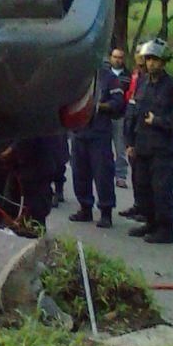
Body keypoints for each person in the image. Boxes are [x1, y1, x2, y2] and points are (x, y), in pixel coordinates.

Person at [124, 38, 173, 244]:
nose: (151, 63)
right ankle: (150, 223)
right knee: (142, 187)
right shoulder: (141, 82)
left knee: (161, 189)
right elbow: (132, 112)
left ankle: (165, 230)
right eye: (149, 59)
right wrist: (129, 142)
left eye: (156, 60)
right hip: (141, 146)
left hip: (162, 148)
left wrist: (158, 121)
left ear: (163, 62)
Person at [69, 63, 126, 228]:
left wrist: (98, 106)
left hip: (99, 133)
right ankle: (85, 207)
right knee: (79, 171)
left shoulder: (110, 78)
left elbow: (118, 102)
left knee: (103, 173)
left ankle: (106, 212)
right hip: (79, 131)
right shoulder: (77, 75)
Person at [119, 45, 148, 220]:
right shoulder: (135, 75)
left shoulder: (149, 79)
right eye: (137, 53)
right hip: (131, 121)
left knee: (146, 174)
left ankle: (148, 209)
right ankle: (139, 205)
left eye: (141, 54)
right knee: (136, 172)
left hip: (144, 129)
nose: (138, 57)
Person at [108, 47, 131, 187]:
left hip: (120, 116)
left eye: (120, 57)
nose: (117, 60)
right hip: (104, 117)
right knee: (103, 148)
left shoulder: (128, 77)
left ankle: (121, 176)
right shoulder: (104, 73)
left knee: (120, 148)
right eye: (115, 57)